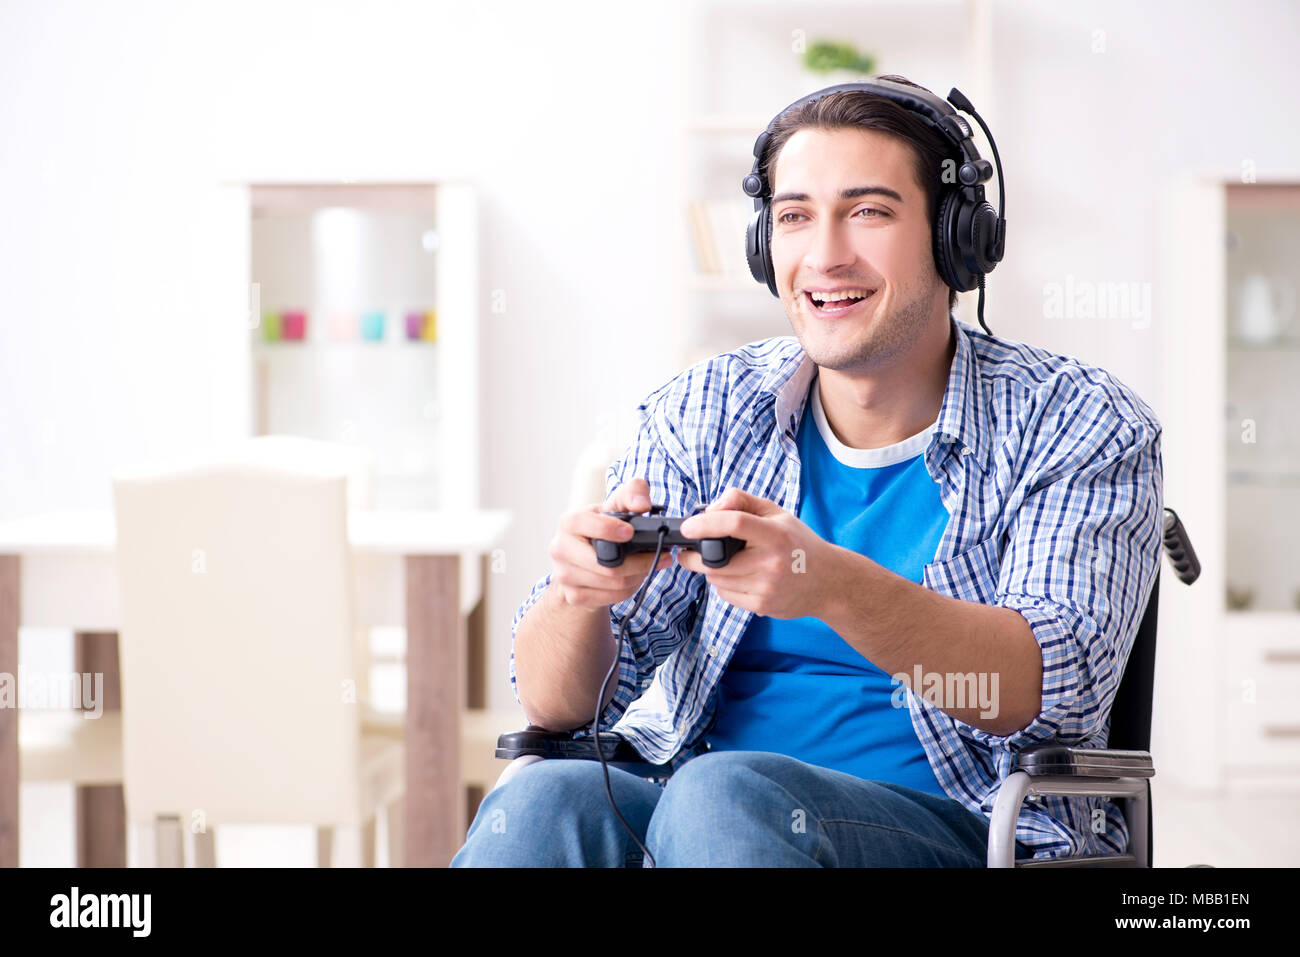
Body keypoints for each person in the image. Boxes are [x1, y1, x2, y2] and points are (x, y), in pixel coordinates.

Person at [451, 74, 1163, 867]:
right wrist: (578, 598)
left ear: (957, 237)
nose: (825, 256)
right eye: (794, 217)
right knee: (546, 797)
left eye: (868, 212)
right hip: (699, 812)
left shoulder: (1078, 418)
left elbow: (1052, 692)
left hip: (962, 828)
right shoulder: (709, 407)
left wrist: (832, 584)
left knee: (723, 797)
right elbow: (556, 708)